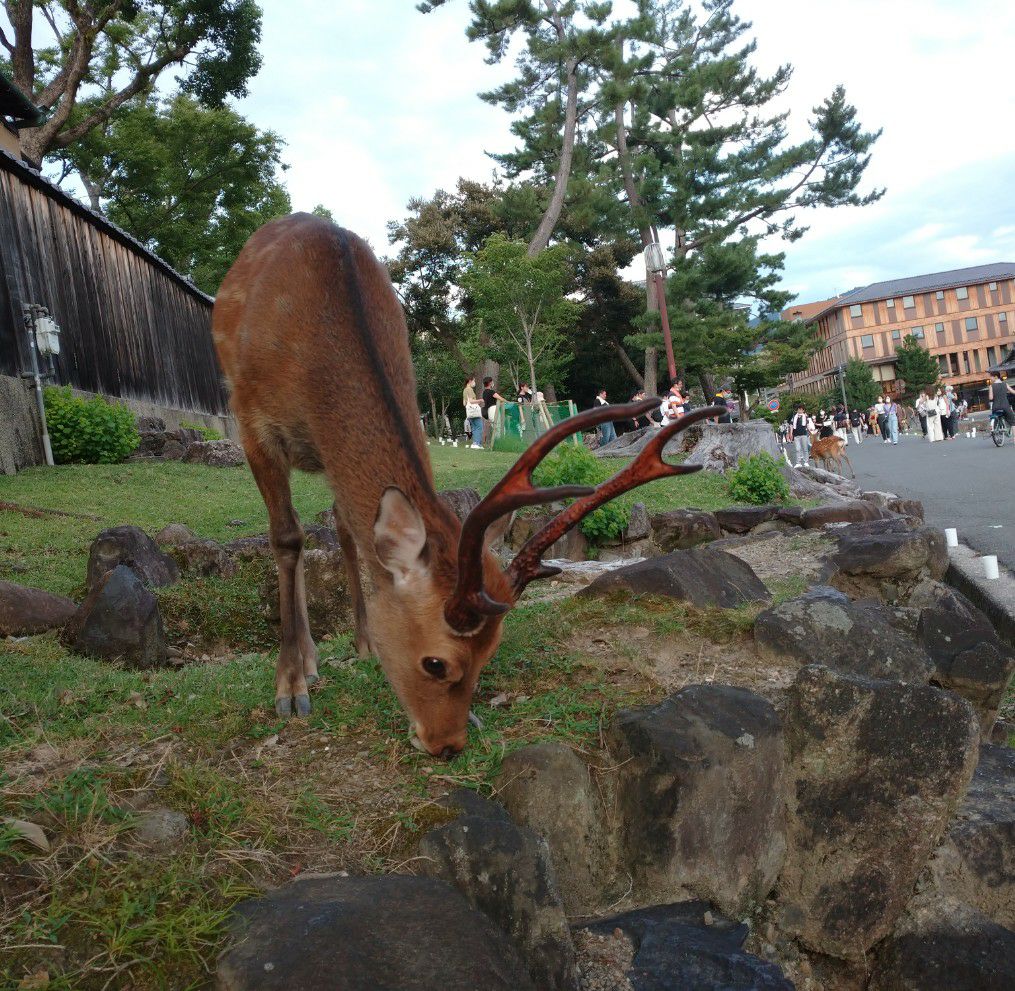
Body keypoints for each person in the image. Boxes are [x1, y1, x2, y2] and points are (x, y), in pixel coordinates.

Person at [481, 376, 506, 448]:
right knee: (499, 428)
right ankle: (499, 444)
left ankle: (495, 444)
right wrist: (508, 402)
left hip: (488, 412)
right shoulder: (491, 392)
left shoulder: (484, 392)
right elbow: (501, 399)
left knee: (495, 428)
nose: (493, 383)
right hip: (493, 410)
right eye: (492, 381)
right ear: (489, 383)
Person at [462, 376, 484, 449]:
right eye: (474, 381)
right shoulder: (470, 389)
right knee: (479, 427)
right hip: (474, 412)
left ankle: (476, 443)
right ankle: (476, 443)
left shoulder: (465, 390)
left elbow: (464, 403)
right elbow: (471, 401)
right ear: (470, 381)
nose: (474, 382)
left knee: (474, 427)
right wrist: (480, 400)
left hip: (469, 412)